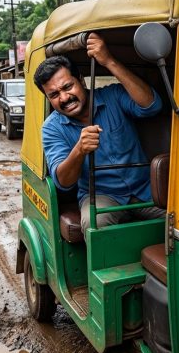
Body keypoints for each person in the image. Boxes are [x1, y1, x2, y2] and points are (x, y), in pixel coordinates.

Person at [33, 33, 164, 232]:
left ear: (81, 82)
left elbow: (152, 106)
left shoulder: (113, 95)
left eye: (68, 87)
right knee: (94, 224)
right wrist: (79, 150)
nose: (64, 97)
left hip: (145, 187)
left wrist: (109, 60)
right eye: (54, 95)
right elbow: (63, 183)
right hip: (102, 196)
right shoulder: (52, 128)